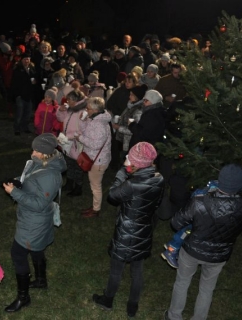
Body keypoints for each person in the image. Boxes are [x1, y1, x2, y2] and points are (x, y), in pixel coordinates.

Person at [92, 142, 164, 317]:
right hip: (144, 229)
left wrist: (120, 174)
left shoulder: (133, 184)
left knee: (117, 269)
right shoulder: (159, 178)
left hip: (126, 232)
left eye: (129, 158)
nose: (126, 159)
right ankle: (132, 306)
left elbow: (113, 196)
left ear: (137, 164)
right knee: (137, 270)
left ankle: (107, 300)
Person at [164, 164, 242, 320]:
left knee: (182, 282)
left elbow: (176, 223)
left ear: (220, 180)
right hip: (219, 255)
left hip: (192, 250)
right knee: (207, 289)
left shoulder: (200, 200)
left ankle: (173, 317)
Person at [2, 133, 67, 312]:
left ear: (45, 153)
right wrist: (18, 183)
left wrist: (14, 193)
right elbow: (32, 179)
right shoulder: (42, 163)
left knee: (18, 253)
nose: (33, 151)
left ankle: (23, 298)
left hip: (34, 221)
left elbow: (39, 204)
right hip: (33, 219)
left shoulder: (50, 175)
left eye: (36, 150)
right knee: (37, 249)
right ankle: (40, 281)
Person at [76, 97, 112, 217]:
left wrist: (80, 138)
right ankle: (95, 206)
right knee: (94, 185)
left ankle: (96, 210)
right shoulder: (94, 119)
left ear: (96, 110)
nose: (87, 110)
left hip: (98, 160)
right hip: (95, 158)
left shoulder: (99, 125)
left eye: (88, 108)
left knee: (96, 186)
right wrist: (82, 120)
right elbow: (84, 130)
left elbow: (96, 145)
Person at [56, 83, 88, 196]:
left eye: (69, 100)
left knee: (77, 166)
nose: (67, 102)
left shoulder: (83, 112)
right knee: (69, 164)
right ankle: (69, 183)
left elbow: (83, 130)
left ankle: (78, 188)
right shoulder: (70, 109)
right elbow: (60, 118)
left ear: (76, 101)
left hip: (76, 144)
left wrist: (68, 137)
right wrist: (61, 110)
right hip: (67, 143)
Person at [112, 83, 147, 164]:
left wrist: (119, 128)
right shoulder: (130, 105)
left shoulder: (138, 110)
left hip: (128, 141)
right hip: (123, 138)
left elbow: (134, 129)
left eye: (131, 95)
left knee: (126, 161)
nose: (129, 96)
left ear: (137, 97)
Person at [10, 51, 37, 135]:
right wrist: (16, 95)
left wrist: (35, 82)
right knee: (19, 113)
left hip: (29, 94)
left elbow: (35, 79)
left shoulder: (32, 69)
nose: (27, 61)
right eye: (25, 59)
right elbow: (14, 83)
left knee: (28, 113)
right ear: (22, 60)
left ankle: (25, 127)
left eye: (28, 59)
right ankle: (17, 128)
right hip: (20, 94)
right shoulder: (17, 69)